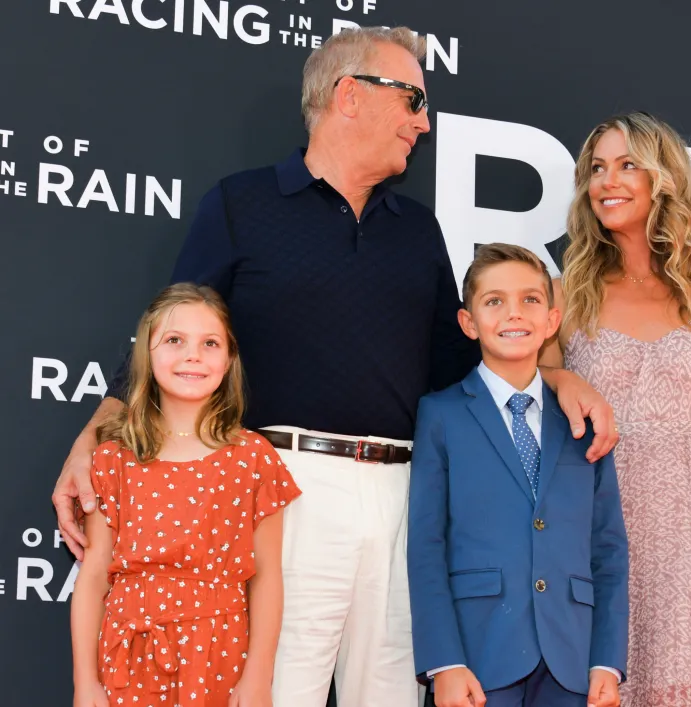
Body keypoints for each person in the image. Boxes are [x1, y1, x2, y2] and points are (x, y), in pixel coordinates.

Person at [53, 26, 616, 707]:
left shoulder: (417, 229)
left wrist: (556, 375)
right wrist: (96, 432)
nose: (423, 120)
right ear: (349, 95)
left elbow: (469, 356)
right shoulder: (241, 204)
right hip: (284, 489)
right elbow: (167, 335)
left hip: (403, 492)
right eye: (411, 98)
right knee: (276, 688)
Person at [539, 112, 691, 706]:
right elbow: (530, 385)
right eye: (597, 168)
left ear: (663, 178)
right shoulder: (567, 291)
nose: (607, 180)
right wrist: (559, 376)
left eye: (627, 164)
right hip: (596, 516)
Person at [408, 244, 629, 707]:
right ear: (468, 322)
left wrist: (606, 660)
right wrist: (444, 662)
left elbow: (608, 547)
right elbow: (426, 546)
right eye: (494, 301)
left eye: (530, 300)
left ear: (552, 320)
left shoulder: (584, 421)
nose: (514, 314)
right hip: (479, 655)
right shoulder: (440, 414)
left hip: (571, 661)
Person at [70, 283, 300, 707]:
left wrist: (258, 678)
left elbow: (267, 577)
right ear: (147, 354)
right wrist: (86, 683)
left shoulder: (254, 458)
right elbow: (94, 576)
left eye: (210, 343)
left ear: (229, 358)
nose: (193, 355)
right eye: (175, 340)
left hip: (219, 657)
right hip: (128, 654)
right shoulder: (113, 460)